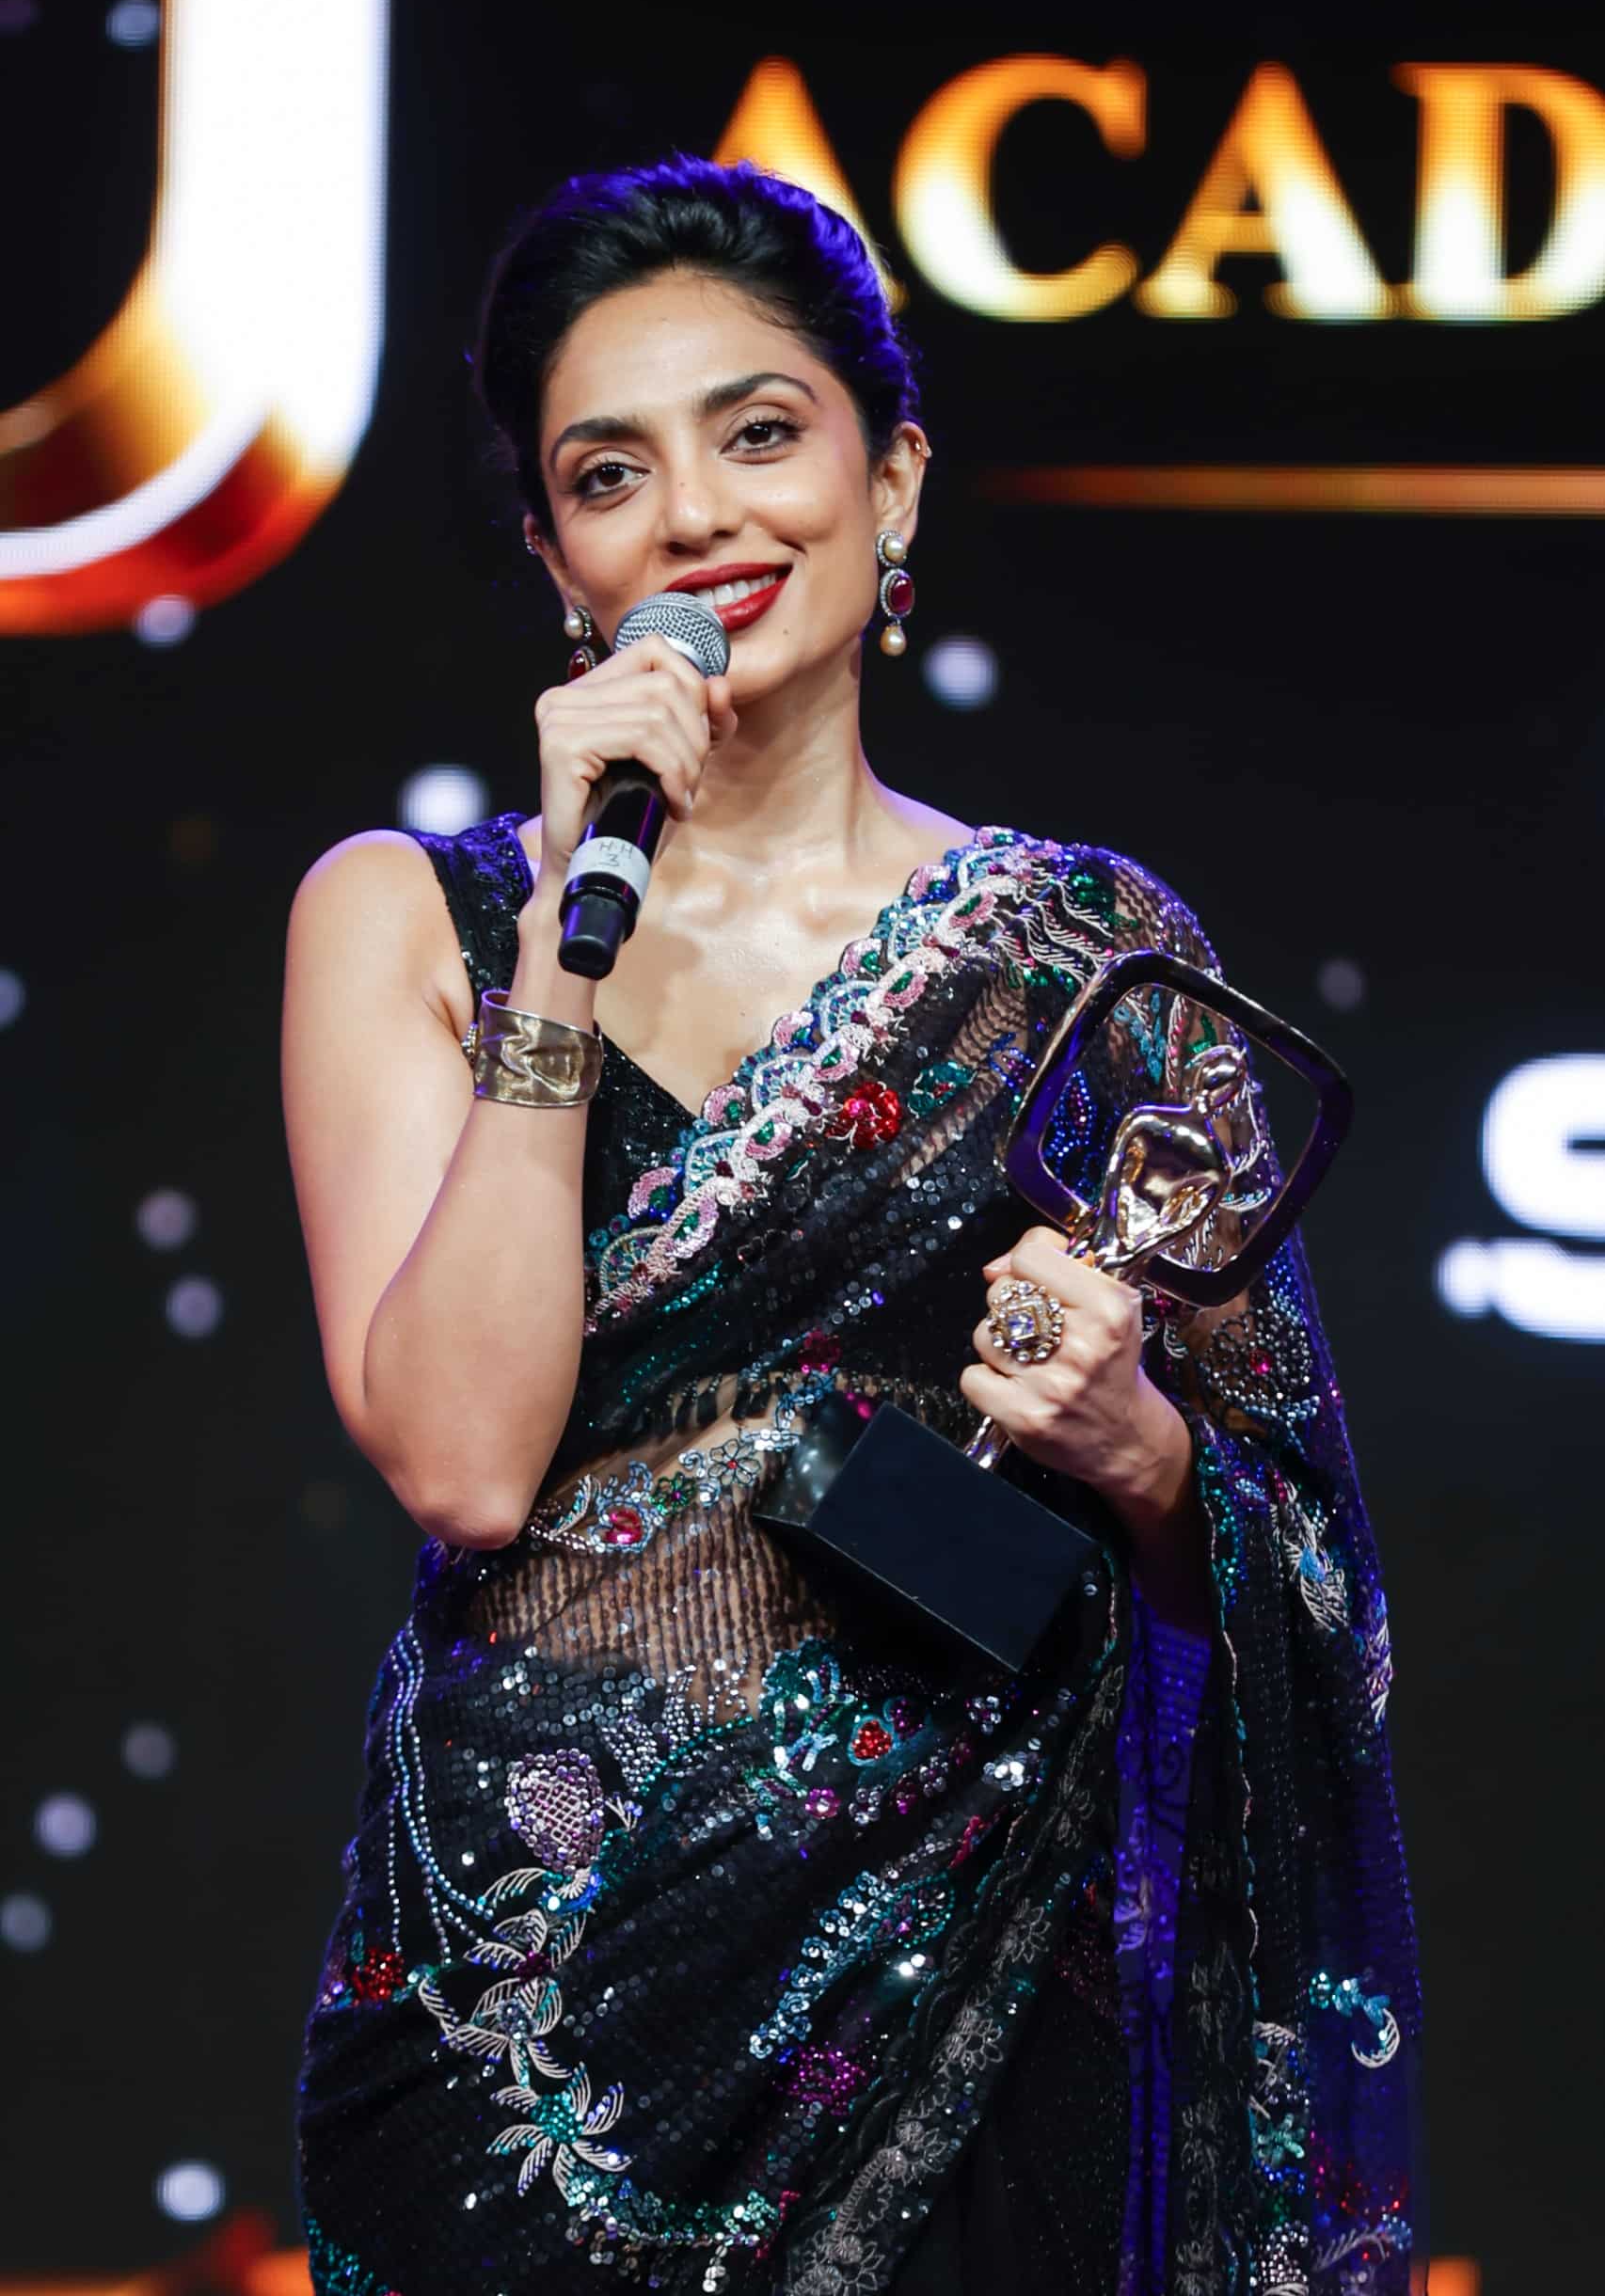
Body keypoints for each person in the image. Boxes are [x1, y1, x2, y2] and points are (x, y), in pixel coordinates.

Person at [284, 155, 1421, 2295]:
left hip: (980, 1995)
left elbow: (1298, 1554)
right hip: (534, 2037)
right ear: (555, 560)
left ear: (889, 480)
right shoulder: (409, 916)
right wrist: (560, 958)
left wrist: (1137, 1449)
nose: (694, 517)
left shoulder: (1088, 954)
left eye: (760, 432)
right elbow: (462, 1461)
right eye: (608, 472)